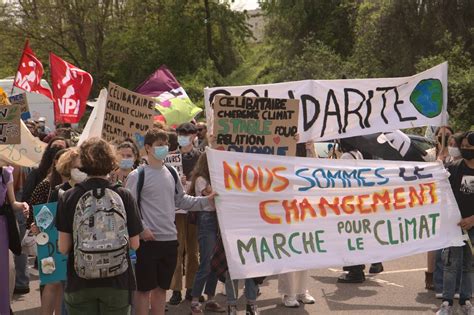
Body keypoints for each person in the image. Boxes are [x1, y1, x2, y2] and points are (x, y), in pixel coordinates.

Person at [125, 128, 216, 315]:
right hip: (147, 242)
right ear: (148, 148)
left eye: (165, 145)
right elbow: (129, 208)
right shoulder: (137, 175)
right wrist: (142, 229)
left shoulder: (171, 172)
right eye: (159, 145)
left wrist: (206, 201)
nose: (164, 148)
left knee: (161, 290)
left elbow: (182, 201)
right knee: (143, 291)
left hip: (169, 240)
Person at [57, 137, 142, 315]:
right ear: (112, 160)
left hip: (80, 281)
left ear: (83, 162)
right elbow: (135, 244)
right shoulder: (124, 195)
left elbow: (63, 247)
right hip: (117, 281)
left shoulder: (69, 196)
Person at [436, 131, 474, 315]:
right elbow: (439, 186)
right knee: (450, 265)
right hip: (454, 226)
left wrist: (472, 219)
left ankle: (466, 300)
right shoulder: (454, 168)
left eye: (469, 146)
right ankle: (447, 303)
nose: (465, 149)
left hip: (472, 226)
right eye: (463, 146)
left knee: (469, 265)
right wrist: (438, 165)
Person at [336, 138, 383, 283]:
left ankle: (355, 271)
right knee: (355, 235)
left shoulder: (345, 157)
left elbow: (341, 179)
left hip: (349, 202)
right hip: (357, 202)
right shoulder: (358, 154)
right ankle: (359, 267)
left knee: (349, 236)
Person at [278, 143, 316, 308]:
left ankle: (302, 290)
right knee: (288, 249)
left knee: (305, 249)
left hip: (305, 208)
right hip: (285, 207)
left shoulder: (307, 147)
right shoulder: (282, 149)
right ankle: (289, 293)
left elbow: (316, 169)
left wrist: (310, 148)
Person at [188, 153, 225, 314]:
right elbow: (213, 195)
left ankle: (210, 298)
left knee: (214, 261)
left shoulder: (213, 179)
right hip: (207, 219)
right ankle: (195, 300)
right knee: (206, 262)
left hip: (217, 219)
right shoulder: (201, 180)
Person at [169, 122, 201, 305]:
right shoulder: (170, 158)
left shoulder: (201, 157)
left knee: (193, 250)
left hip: (194, 208)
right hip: (175, 211)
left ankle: (191, 288)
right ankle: (175, 290)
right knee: (176, 249)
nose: (184, 136)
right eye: (181, 133)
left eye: (188, 133)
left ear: (195, 135)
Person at [0, 160, 29, 314]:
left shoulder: (6, 173)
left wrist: (23, 204)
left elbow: (12, 202)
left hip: (3, 227)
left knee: (6, 271)